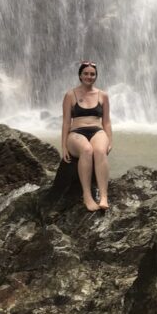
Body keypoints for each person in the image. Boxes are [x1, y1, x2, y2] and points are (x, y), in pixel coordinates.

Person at [61, 60, 112, 212]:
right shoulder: (70, 95)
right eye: (86, 74)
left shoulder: (103, 95)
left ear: (96, 76)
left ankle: (103, 196)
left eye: (92, 74)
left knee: (99, 151)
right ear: (80, 75)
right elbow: (65, 123)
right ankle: (87, 196)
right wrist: (63, 146)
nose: (89, 77)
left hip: (97, 130)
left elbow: (107, 122)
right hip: (76, 133)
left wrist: (110, 140)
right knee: (87, 150)